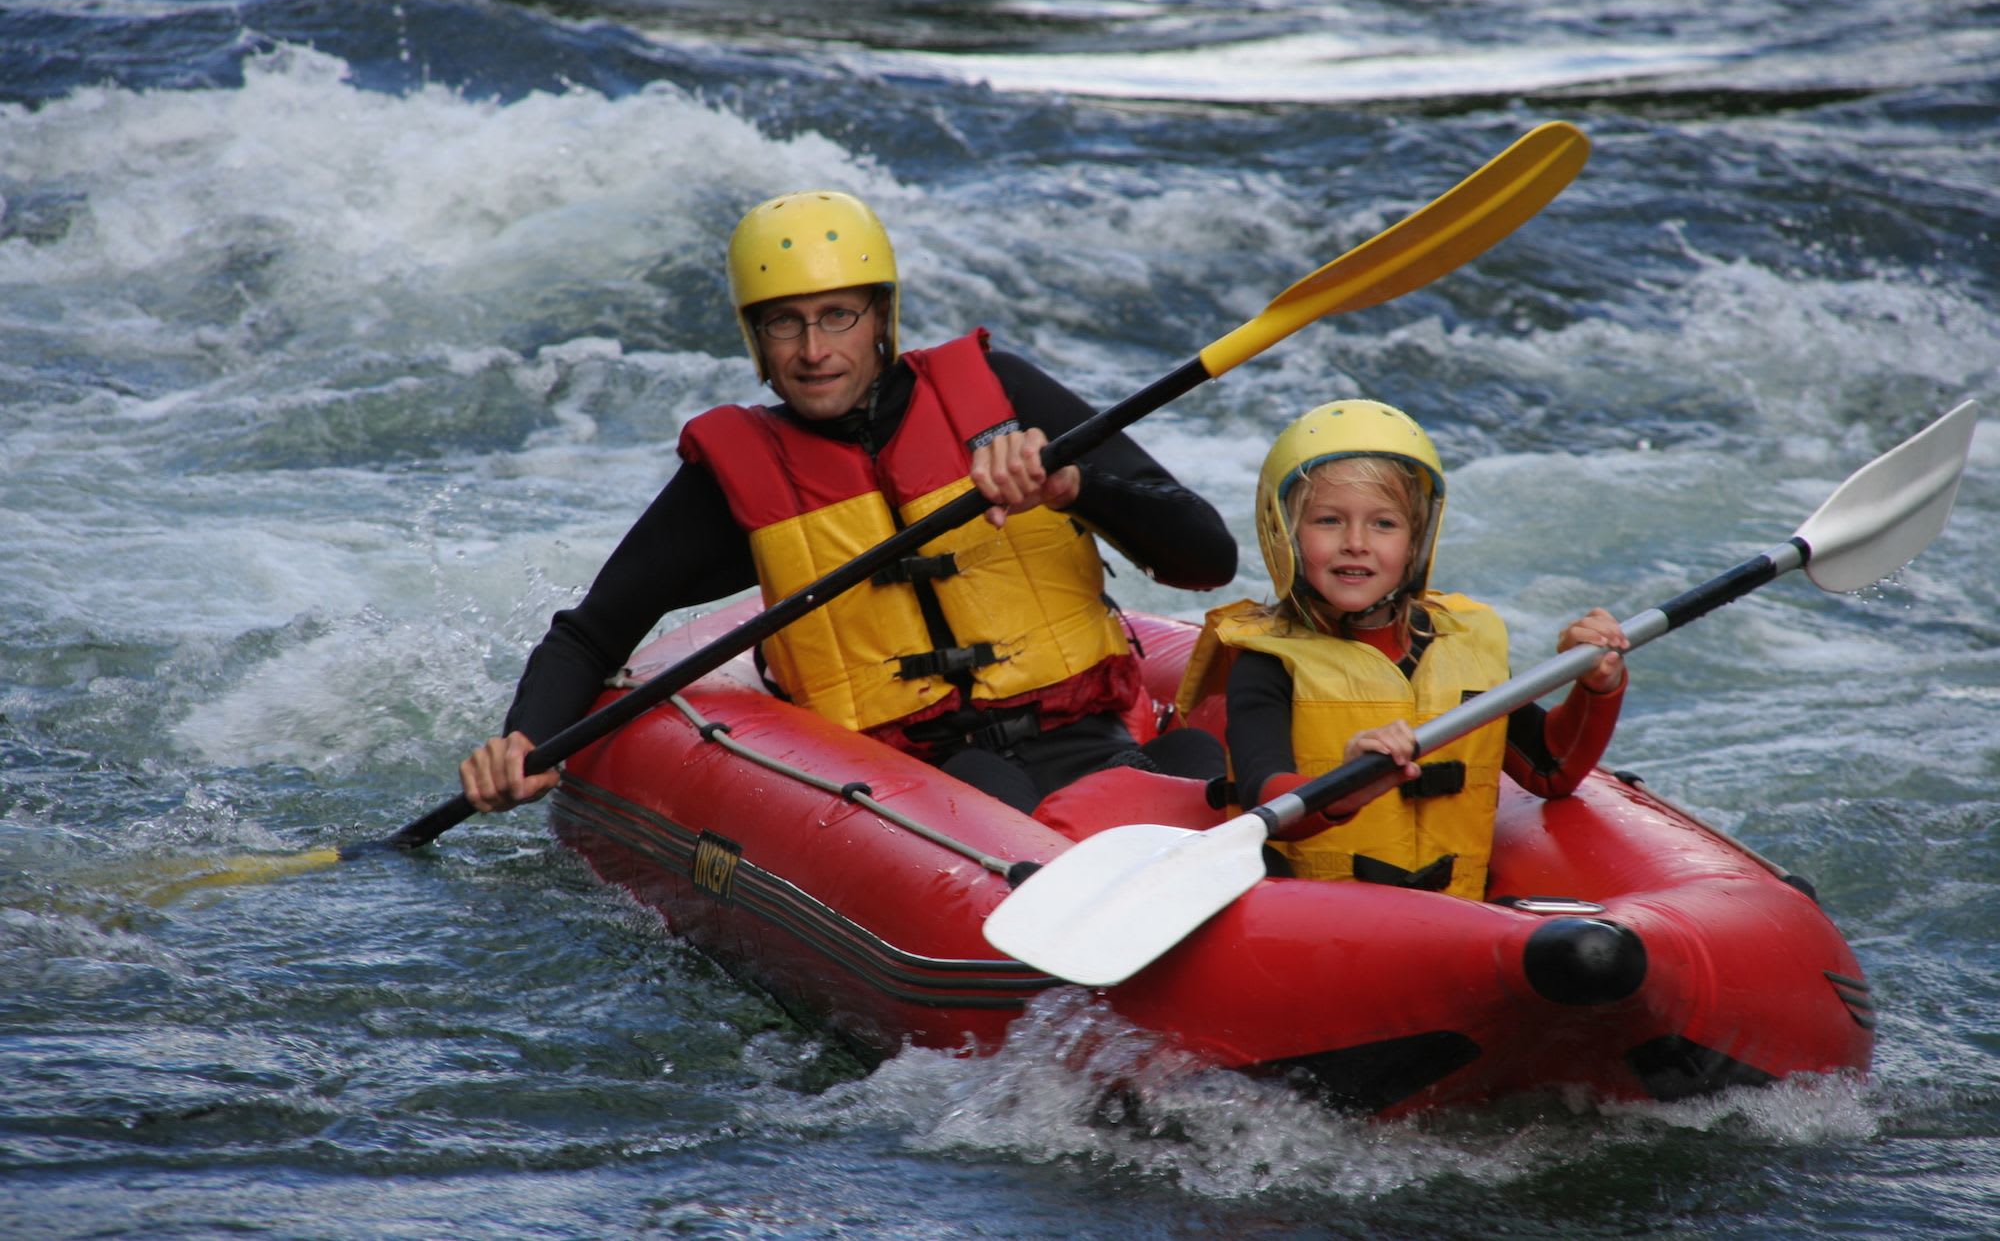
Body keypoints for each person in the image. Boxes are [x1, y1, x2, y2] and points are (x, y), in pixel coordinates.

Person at [461, 189, 1235, 816]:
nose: (813, 350)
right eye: (784, 324)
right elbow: (591, 637)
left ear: (880, 320)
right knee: (998, 800)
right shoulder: (735, 477)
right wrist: (522, 744)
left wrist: (1077, 487)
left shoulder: (1001, 395)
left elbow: (1208, 558)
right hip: (923, 788)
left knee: (1205, 769)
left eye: (838, 316)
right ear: (756, 339)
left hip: (1093, 737)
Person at [1175, 399, 1627, 898]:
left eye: (1384, 524)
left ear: (1416, 543)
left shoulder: (1459, 647)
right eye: (1328, 520)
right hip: (1316, 920)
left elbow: (1549, 769)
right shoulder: (1268, 660)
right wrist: (1347, 783)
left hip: (1455, 916)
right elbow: (1266, 800)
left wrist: (1595, 684)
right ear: (1284, 534)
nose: (1356, 542)